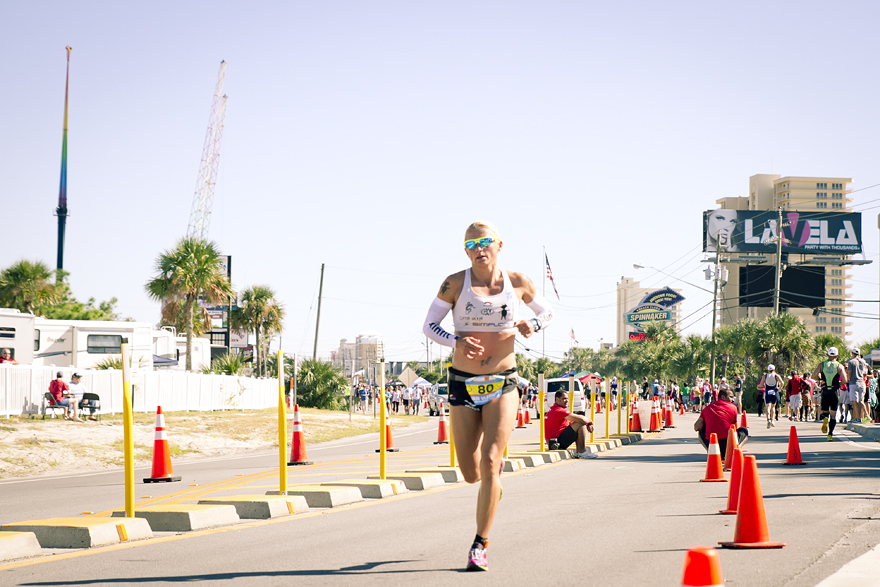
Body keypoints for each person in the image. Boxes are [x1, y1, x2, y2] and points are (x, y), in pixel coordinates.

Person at [421, 220, 553, 572]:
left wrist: (533, 325)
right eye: (471, 245)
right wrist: (456, 340)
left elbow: (547, 312)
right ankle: (490, 489)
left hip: (503, 381)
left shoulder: (518, 282)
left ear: (499, 244)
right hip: (463, 382)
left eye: (484, 242)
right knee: (470, 472)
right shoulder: (453, 283)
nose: (478, 249)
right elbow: (428, 325)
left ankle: (480, 544)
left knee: (492, 460)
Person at [694, 386, 748, 455]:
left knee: (701, 432)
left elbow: (697, 427)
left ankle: (712, 451)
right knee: (744, 430)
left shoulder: (707, 408)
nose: (733, 400)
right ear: (723, 397)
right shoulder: (733, 408)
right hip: (727, 444)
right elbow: (733, 428)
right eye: (731, 397)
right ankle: (735, 449)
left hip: (713, 443)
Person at [812, 347, 848, 441]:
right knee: (833, 414)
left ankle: (824, 418)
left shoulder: (822, 364)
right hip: (834, 391)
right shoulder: (839, 366)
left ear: (827, 355)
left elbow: (814, 375)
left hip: (825, 391)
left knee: (824, 411)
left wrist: (820, 380)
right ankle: (830, 435)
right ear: (837, 355)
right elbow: (844, 380)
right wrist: (839, 384)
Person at [545, 390, 595, 458]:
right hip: (557, 442)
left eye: (567, 398)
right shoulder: (559, 411)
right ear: (557, 399)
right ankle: (582, 451)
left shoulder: (554, 410)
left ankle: (581, 451)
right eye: (564, 399)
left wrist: (588, 423)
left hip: (554, 442)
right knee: (580, 424)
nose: (567, 401)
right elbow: (582, 419)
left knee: (577, 422)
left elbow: (573, 422)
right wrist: (590, 421)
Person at [845, 347, 868, 424]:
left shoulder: (851, 362)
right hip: (862, 382)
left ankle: (857, 418)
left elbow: (849, 372)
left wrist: (847, 379)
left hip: (853, 382)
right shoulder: (863, 362)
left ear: (852, 353)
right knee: (861, 401)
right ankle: (864, 417)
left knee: (854, 402)